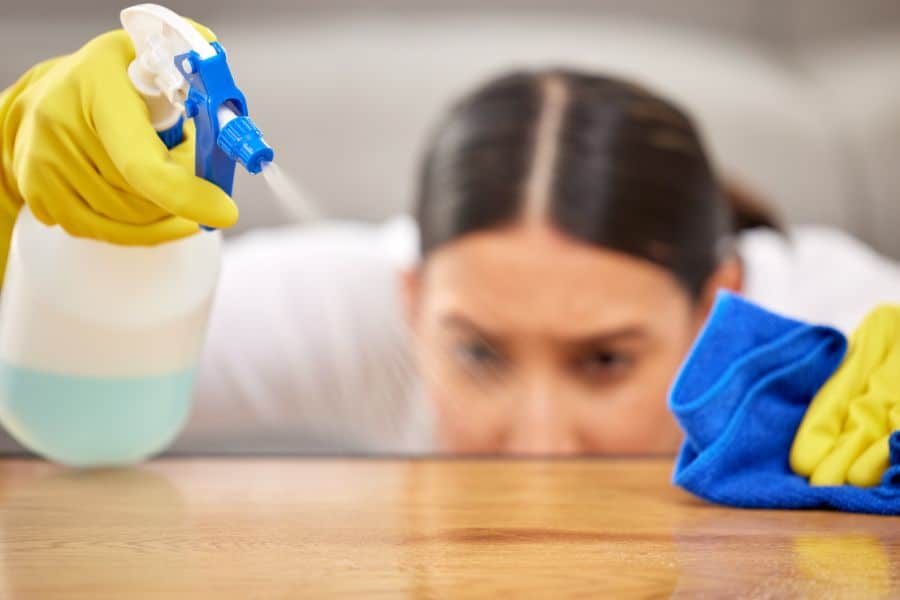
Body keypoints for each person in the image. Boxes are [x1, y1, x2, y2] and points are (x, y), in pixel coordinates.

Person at [1, 26, 899, 456]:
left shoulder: (833, 329)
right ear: (412, 297)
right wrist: (14, 205)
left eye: (604, 362)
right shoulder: (356, 309)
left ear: (720, 305)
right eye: (476, 353)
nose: (539, 446)